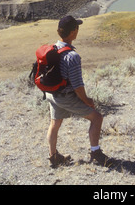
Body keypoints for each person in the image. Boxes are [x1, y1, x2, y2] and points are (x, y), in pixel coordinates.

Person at [45, 15, 112, 168]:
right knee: (97, 118)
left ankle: (53, 156)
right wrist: (87, 100)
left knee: (54, 124)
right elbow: (77, 87)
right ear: (74, 32)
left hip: (52, 94)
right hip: (65, 97)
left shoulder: (53, 48)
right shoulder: (72, 56)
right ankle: (95, 153)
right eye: (77, 27)